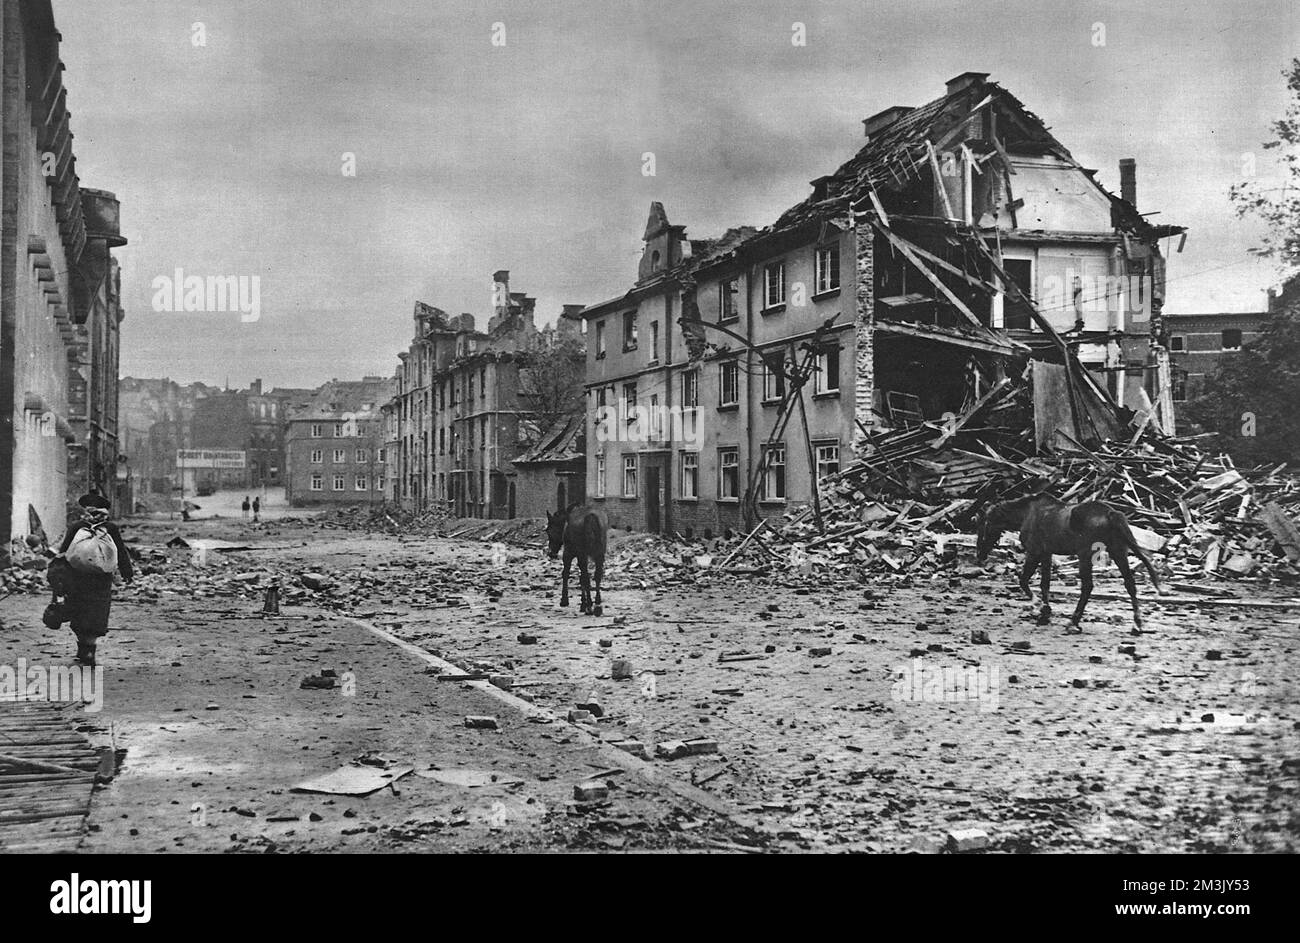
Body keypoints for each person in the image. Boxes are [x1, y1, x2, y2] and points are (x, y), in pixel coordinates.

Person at [53, 494, 133, 666]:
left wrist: (57, 575)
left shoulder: (77, 526)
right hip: (101, 579)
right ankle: (89, 651)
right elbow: (120, 550)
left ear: (86, 510)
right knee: (96, 612)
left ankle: (84, 651)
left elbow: (64, 552)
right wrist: (127, 572)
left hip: (77, 578)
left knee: (79, 612)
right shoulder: (110, 528)